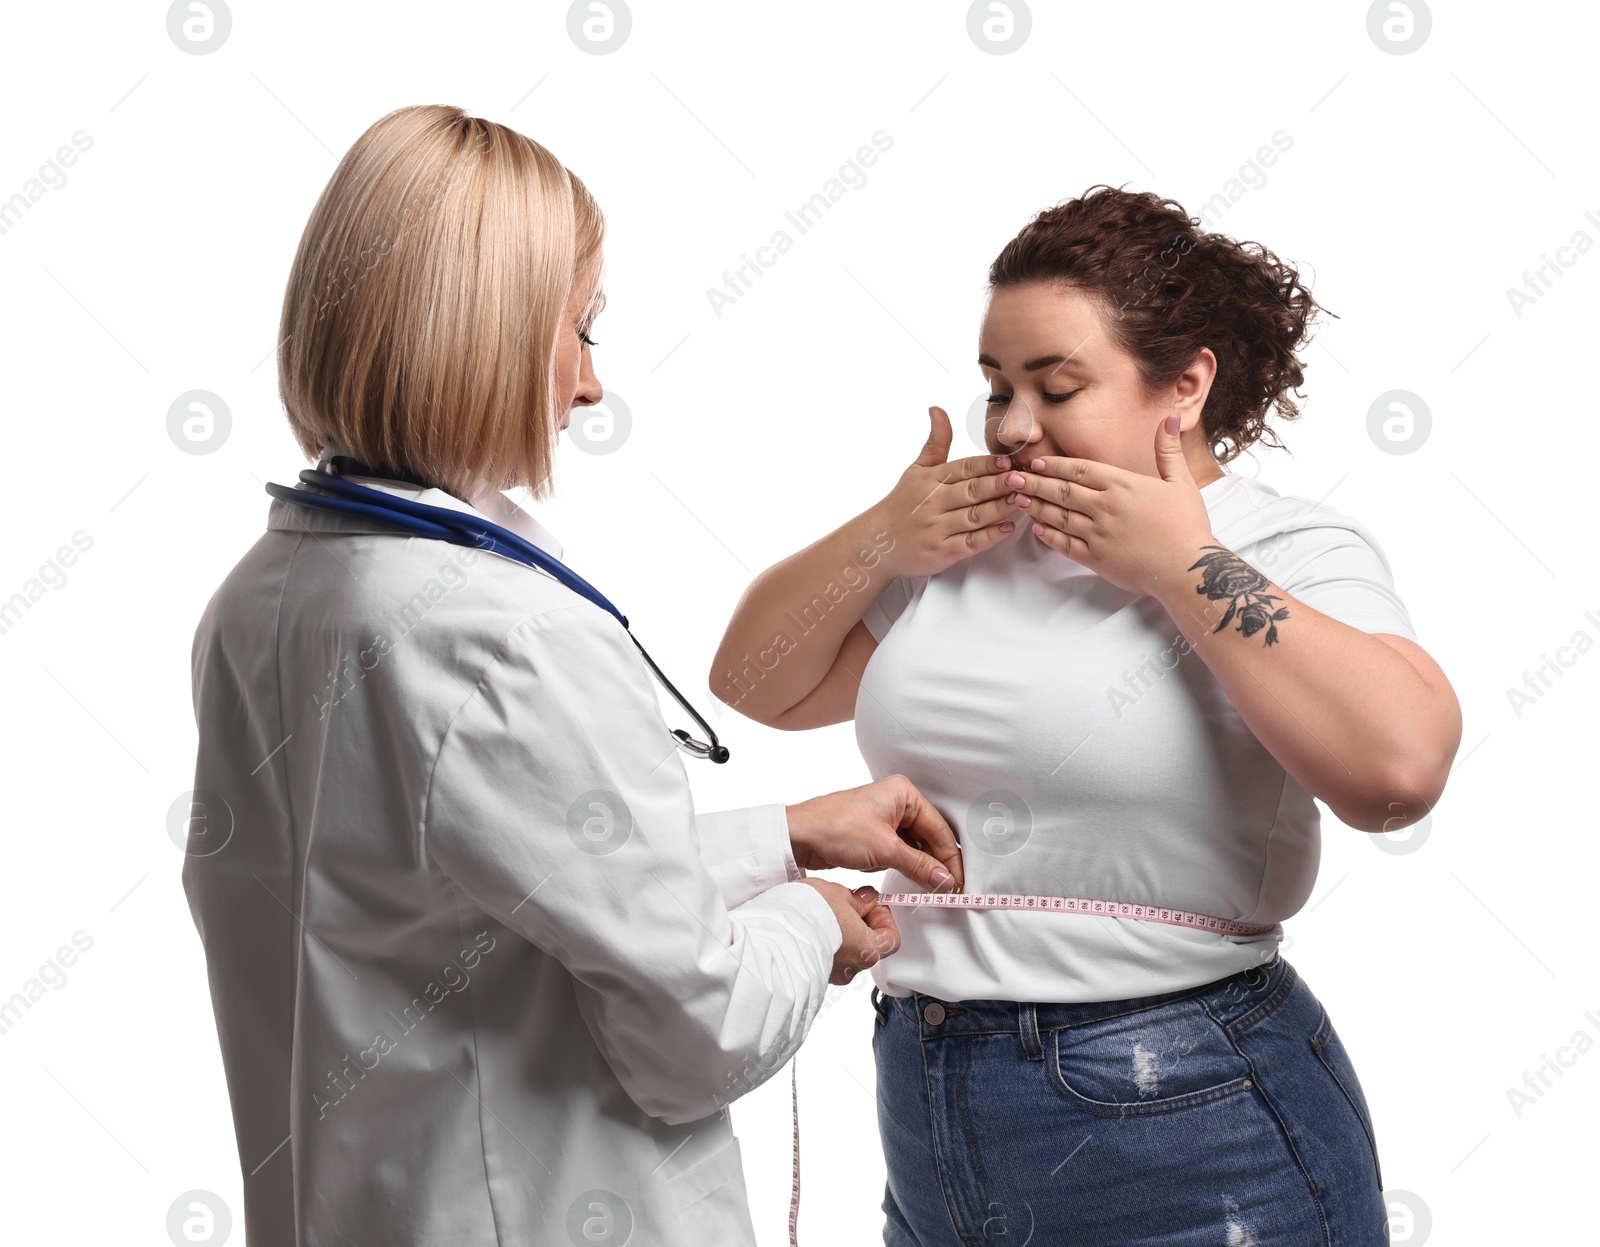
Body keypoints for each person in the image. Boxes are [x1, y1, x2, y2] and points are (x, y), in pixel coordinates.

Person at [180, 104, 965, 1247]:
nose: (591, 387)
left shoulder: (265, 593)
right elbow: (697, 1031)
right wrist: (810, 923)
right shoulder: (506, 636)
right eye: (582, 329)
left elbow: (454, 899)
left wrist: (783, 835)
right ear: (477, 335)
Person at [711, 185, 1463, 1244]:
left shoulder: (1282, 545)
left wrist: (1178, 563)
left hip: (1191, 1113)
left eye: (1056, 387)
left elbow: (1398, 771)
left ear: (1186, 383)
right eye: (995, 388)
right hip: (928, 1094)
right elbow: (756, 684)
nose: (1015, 428)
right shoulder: (965, 544)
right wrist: (883, 534)